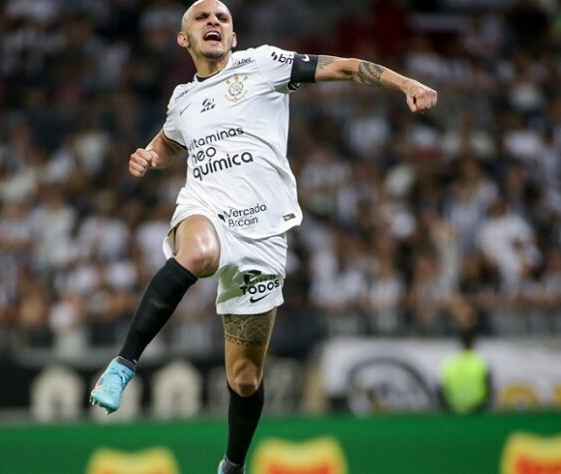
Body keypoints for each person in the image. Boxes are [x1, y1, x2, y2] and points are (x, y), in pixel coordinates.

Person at [89, 1, 437, 472]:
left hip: (264, 233)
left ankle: (232, 465)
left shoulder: (265, 63)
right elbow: (171, 141)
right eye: (201, 17)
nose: (214, 21)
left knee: (246, 377)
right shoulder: (181, 98)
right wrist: (149, 156)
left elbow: (345, 67)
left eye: (223, 18)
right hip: (205, 209)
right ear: (183, 38)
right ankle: (123, 364)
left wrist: (406, 83)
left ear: (233, 37)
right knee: (198, 253)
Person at [439, 330, 492, 413]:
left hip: (453, 408)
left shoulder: (450, 363)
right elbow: (489, 387)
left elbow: (442, 388)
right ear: (473, 344)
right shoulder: (481, 363)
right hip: (477, 409)